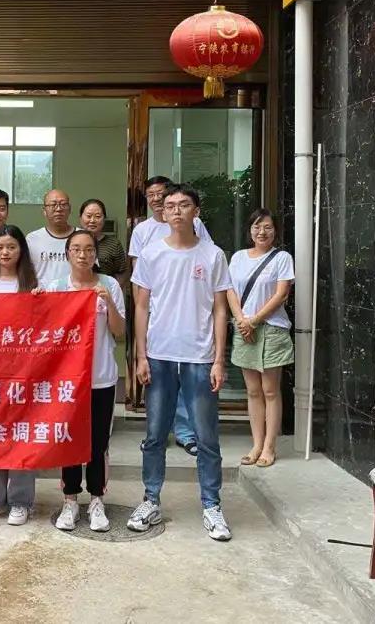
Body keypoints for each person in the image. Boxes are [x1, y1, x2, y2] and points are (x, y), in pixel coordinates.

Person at [128, 185, 233, 542]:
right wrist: (141, 355)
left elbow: (220, 310)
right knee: (155, 434)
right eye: (169, 205)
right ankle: (150, 499)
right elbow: (142, 306)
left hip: (199, 357)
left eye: (183, 205)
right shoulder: (151, 253)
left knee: (206, 436)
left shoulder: (213, 255)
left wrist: (219, 359)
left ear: (196, 211)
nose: (175, 210)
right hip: (159, 355)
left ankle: (212, 505)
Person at [127, 176, 210, 458]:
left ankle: (186, 433)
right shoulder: (142, 231)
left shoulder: (196, 225)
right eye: (151, 194)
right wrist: (143, 307)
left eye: (160, 194)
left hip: (189, 314)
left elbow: (205, 258)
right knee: (157, 382)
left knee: (185, 379)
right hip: (156, 313)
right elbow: (138, 274)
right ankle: (156, 435)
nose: (156, 199)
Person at [49, 229, 125, 533]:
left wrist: (110, 304)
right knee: (69, 439)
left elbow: (119, 331)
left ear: (96, 253)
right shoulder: (56, 287)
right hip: (67, 381)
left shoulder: (109, 285)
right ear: (67, 253)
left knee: (97, 443)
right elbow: (46, 332)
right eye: (77, 249)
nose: (83, 255)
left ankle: (96, 500)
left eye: (89, 249)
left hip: (101, 378)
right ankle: (70, 499)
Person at [0, 225, 40, 526]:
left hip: (23, 374)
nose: (5, 252)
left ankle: (21, 501)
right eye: (0, 247)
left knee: (21, 436)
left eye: (12, 247)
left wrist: (43, 301)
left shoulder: (32, 286)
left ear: (21, 250)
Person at [227, 209, 295, 469]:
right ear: (250, 230)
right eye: (257, 227)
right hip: (244, 328)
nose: (262, 232)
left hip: (271, 329)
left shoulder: (282, 258)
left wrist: (254, 320)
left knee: (270, 390)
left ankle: (269, 446)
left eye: (267, 227)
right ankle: (256, 444)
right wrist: (241, 320)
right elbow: (229, 290)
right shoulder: (238, 258)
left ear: (275, 230)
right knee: (253, 391)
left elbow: (281, 294)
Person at [26, 188, 75, 284]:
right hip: (42, 292)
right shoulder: (32, 239)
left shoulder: (83, 237)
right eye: (53, 205)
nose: (58, 209)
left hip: (74, 292)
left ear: (69, 209)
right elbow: (25, 272)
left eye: (63, 204)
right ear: (44, 210)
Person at [78, 198, 127, 288]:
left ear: (104, 219)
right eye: (88, 216)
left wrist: (113, 291)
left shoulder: (114, 244)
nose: (92, 220)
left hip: (105, 292)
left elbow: (122, 272)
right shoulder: (73, 242)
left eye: (97, 216)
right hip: (78, 292)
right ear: (80, 218)